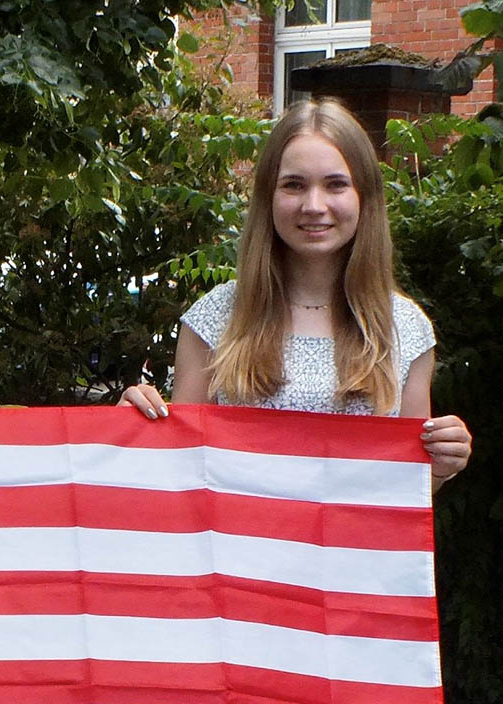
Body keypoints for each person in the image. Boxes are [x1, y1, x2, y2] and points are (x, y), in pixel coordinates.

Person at [119, 98, 471, 491]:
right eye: (294, 185)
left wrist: (440, 464)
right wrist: (128, 431)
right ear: (268, 197)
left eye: (336, 184)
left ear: (364, 197)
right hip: (241, 547)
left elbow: (406, 487)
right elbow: (178, 465)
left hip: (352, 550)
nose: (314, 205)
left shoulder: (406, 328)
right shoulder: (216, 317)